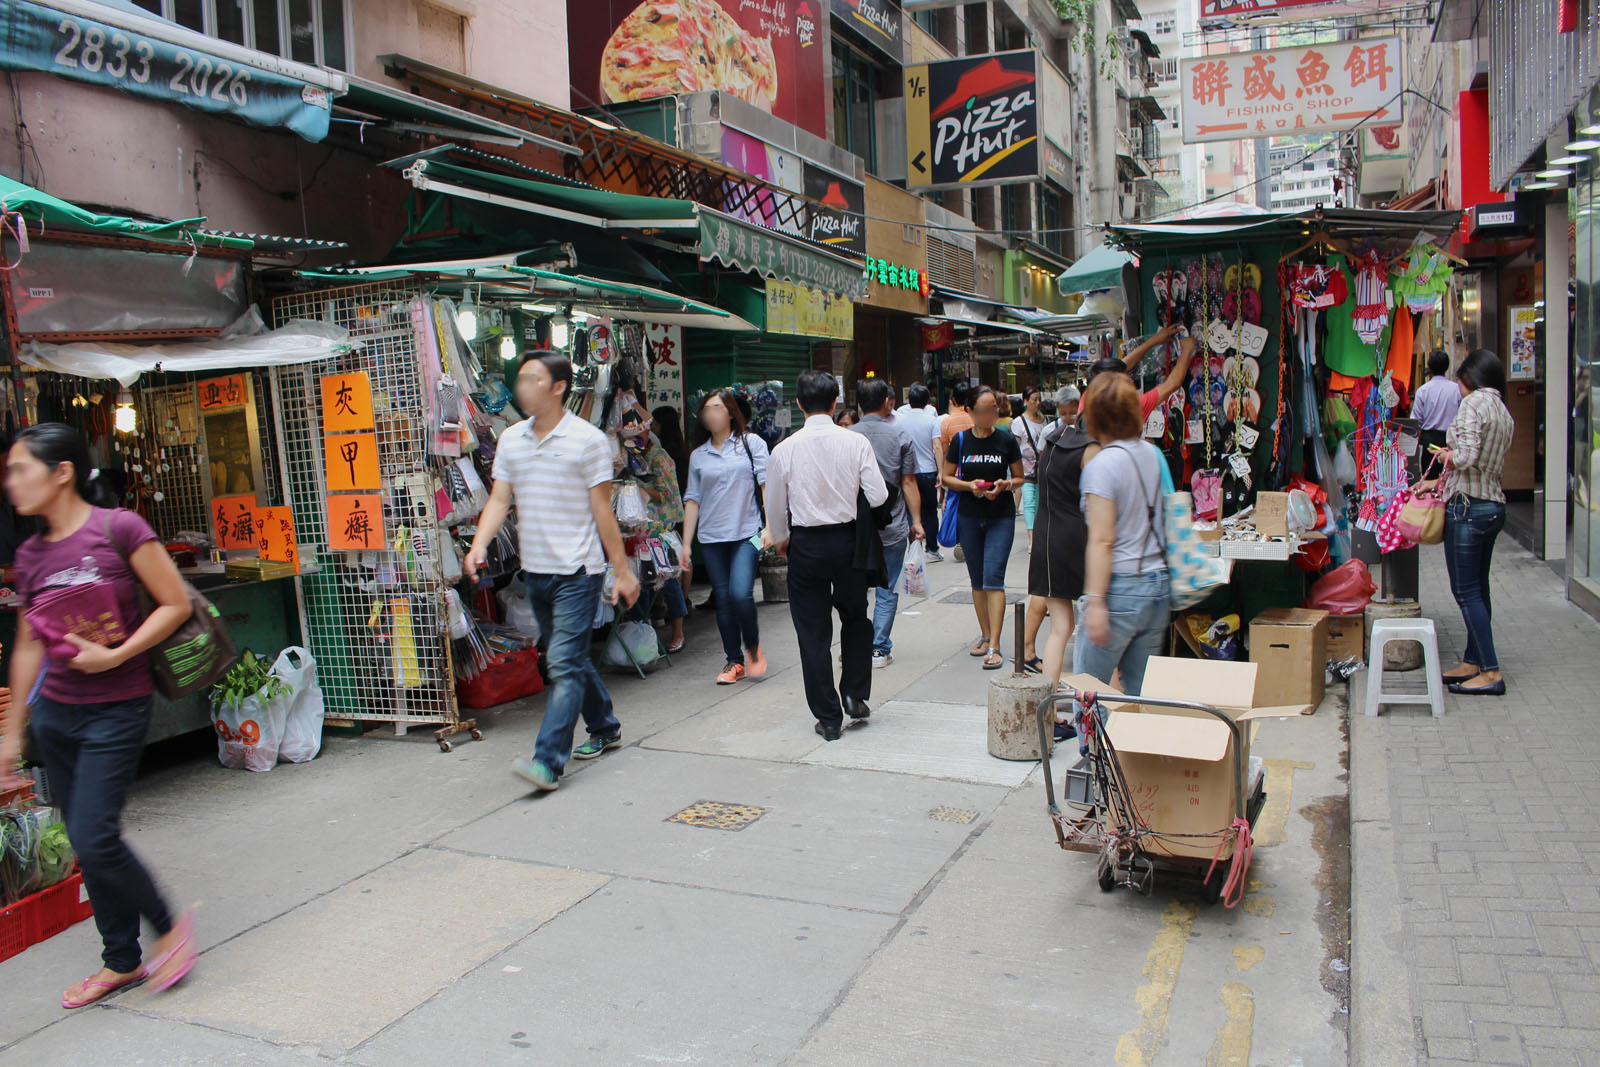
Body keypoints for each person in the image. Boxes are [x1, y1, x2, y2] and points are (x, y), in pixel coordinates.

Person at [0, 424, 197, 1008]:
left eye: (19, 469)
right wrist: (11, 733)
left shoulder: (119, 530)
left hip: (117, 706)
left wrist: (115, 654)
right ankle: (121, 961)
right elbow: (30, 643)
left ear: (61, 472)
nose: (10, 482)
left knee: (93, 833)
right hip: (57, 716)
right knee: (88, 843)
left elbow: (175, 602)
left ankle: (169, 925)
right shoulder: (31, 555)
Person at [466, 351, 641, 792]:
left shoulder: (587, 440)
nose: (522, 386)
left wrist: (622, 571)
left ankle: (547, 762)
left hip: (578, 571)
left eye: (533, 379)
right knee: (571, 659)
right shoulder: (510, 440)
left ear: (559, 387)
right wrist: (479, 544)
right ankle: (605, 726)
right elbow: (500, 500)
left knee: (561, 662)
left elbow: (603, 511)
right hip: (536, 571)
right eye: (520, 379)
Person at [765, 370, 888, 740]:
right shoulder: (855, 443)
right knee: (856, 617)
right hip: (849, 543)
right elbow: (879, 496)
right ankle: (854, 692)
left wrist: (784, 540)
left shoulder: (784, 449)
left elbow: (773, 509)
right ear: (835, 403)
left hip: (806, 545)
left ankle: (829, 718)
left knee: (813, 633)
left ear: (799, 404)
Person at [1418, 348, 1513, 696]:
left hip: (1467, 510)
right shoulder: (1502, 410)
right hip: (1492, 506)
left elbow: (1468, 455)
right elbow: (1484, 464)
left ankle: (1490, 672)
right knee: (1479, 589)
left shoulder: (1473, 405)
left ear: (1469, 378)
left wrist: (1446, 455)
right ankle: (1473, 661)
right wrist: (1436, 481)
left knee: (1465, 591)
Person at [1075, 374, 1171, 696]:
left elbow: (1103, 539)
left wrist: (1097, 602)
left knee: (1090, 694)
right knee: (1141, 694)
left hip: (1120, 587)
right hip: (1157, 586)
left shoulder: (1101, 465)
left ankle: (1094, 749)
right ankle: (1137, 747)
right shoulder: (1153, 456)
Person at [682, 388, 769, 685]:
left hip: (750, 533)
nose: (711, 414)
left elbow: (766, 485)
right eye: (706, 410)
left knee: (740, 593)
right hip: (710, 537)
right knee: (723, 598)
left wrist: (770, 527)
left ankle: (753, 648)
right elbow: (692, 499)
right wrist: (685, 545)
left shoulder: (751, 444)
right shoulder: (698, 455)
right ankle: (734, 661)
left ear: (731, 412)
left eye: (717, 408)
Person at [941, 386, 1025, 670]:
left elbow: (1020, 477)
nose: (990, 415)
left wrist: (1005, 485)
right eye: (984, 410)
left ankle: (996, 645)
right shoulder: (961, 440)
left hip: (1001, 515)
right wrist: (969, 487)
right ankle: (986, 634)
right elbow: (946, 476)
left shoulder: (1007, 440)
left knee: (993, 578)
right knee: (977, 580)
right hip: (969, 515)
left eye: (994, 409)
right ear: (971, 412)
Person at [1027, 400, 1100, 688]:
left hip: (1047, 536)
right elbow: (1097, 503)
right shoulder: (1090, 449)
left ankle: (1049, 708)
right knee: (1102, 630)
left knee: (1061, 627)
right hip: (1075, 539)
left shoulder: (1053, 443)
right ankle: (1110, 710)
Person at [852, 379, 924, 669]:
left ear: (858, 405)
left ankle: (854, 643)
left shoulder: (847, 435)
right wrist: (916, 521)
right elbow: (908, 482)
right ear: (887, 402)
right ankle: (878, 648)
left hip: (854, 527)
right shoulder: (900, 436)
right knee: (887, 587)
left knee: (855, 588)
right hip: (891, 524)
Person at [619, 414, 688, 653]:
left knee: (668, 582)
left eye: (638, 435)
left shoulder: (659, 458)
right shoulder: (635, 457)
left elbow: (666, 495)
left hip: (661, 529)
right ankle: (642, 636)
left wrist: (636, 488)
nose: (634, 440)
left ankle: (678, 633)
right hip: (643, 529)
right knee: (643, 579)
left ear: (648, 433)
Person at [1102, 323, 1195, 421]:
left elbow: (1122, 366)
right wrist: (1187, 350)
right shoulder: (1129, 409)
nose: (1130, 378)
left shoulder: (1095, 393)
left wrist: (1155, 340)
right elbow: (1172, 384)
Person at [896, 383, 943, 561]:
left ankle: (915, 547)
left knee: (910, 512)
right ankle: (932, 549)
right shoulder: (932, 420)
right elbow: (937, 446)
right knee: (930, 511)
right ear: (927, 402)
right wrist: (941, 471)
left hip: (907, 473)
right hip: (928, 471)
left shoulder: (900, 420)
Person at [1014, 385, 1050, 537]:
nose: (1037, 403)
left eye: (1039, 400)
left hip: (1043, 467)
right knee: (1029, 502)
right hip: (1026, 469)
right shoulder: (1019, 422)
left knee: (1039, 503)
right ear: (1026, 401)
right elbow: (1015, 448)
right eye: (1034, 400)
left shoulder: (1046, 420)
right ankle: (1031, 539)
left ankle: (1038, 533)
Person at [1411, 349, 1461, 458]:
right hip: (1450, 440)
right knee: (1449, 471)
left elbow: (1416, 420)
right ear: (1446, 366)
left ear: (1429, 367)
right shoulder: (1457, 390)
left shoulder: (1422, 391)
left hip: (1429, 441)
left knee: (1430, 472)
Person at [651, 405, 691, 495]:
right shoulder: (677, 445)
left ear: (661, 424)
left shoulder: (667, 450)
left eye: (653, 422)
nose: (651, 427)